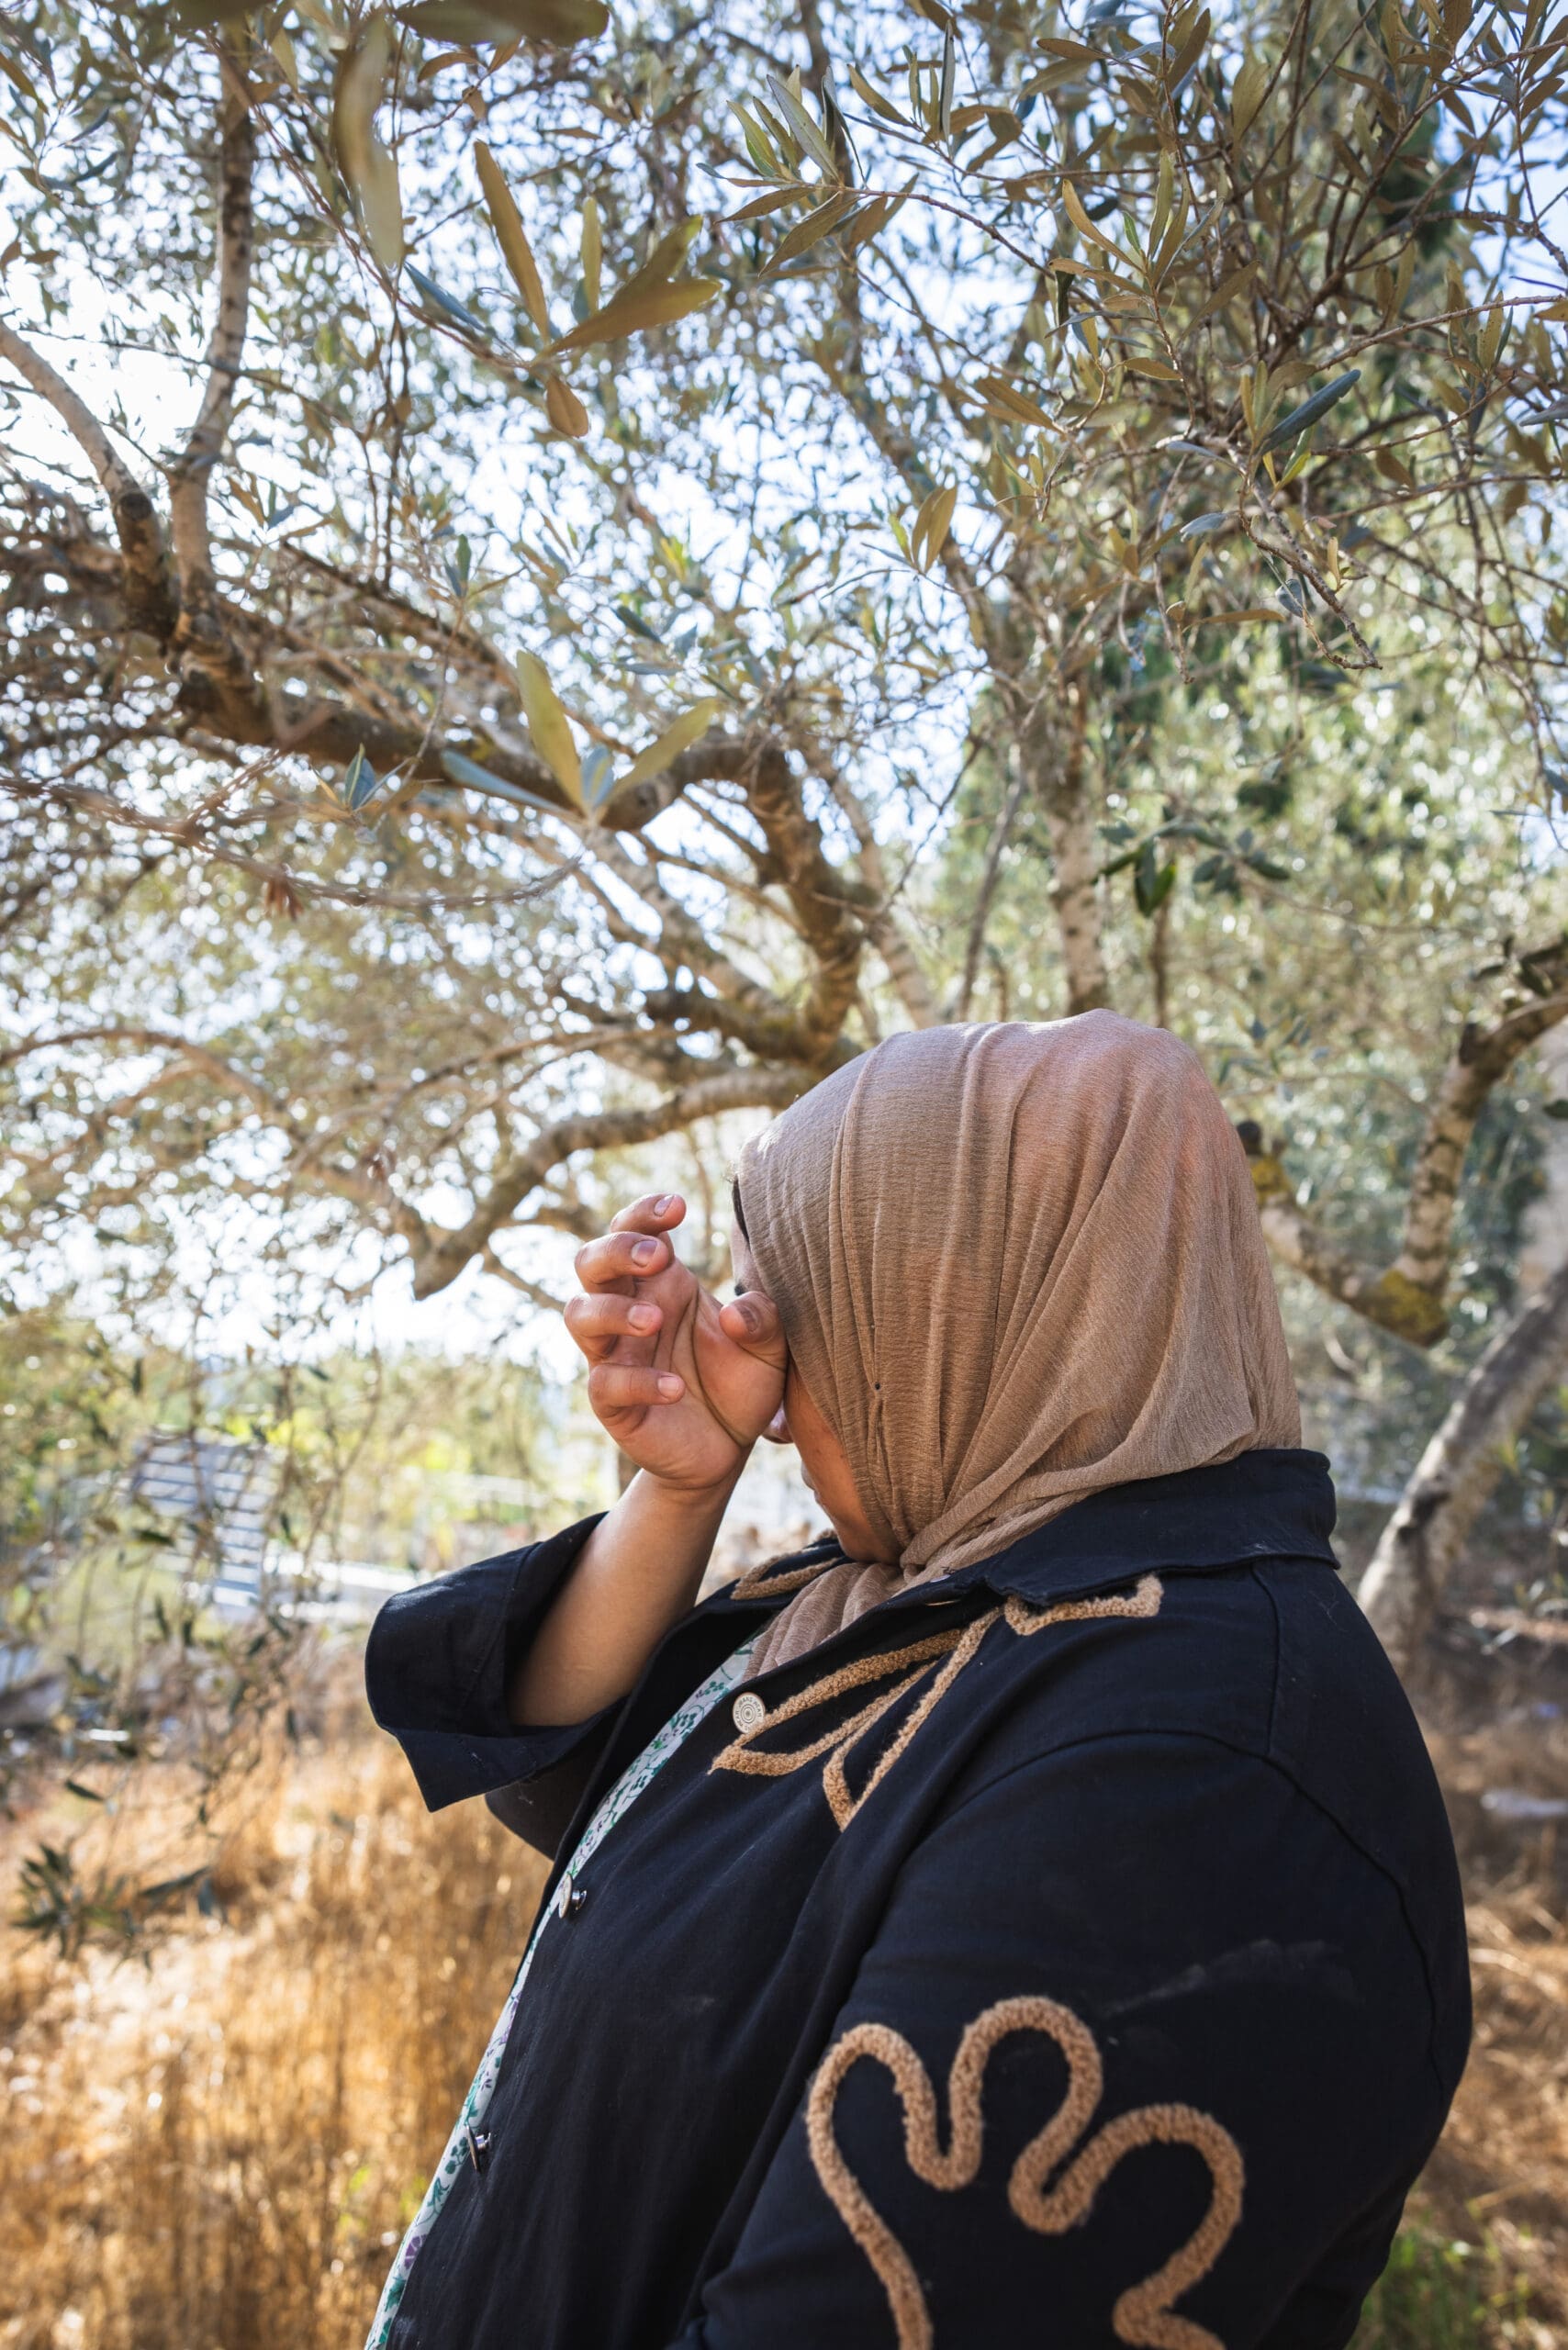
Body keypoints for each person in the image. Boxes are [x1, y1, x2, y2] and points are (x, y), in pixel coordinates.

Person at [364, 1012, 1470, 2350]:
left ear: (956, 1313)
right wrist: (676, 1490)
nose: (769, 1399)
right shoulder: (922, 1586)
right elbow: (587, 1786)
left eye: (810, 1312)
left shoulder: (1203, 1771)